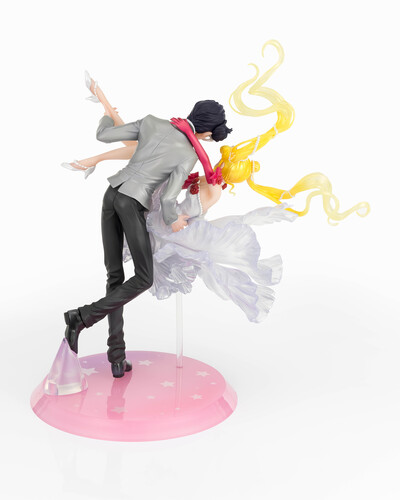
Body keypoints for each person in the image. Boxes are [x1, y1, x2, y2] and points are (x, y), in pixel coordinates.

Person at [63, 75, 232, 378]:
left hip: (111, 194)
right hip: (130, 204)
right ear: (206, 132)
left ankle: (117, 357)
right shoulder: (189, 153)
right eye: (209, 136)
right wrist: (174, 219)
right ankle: (82, 317)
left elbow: (104, 135)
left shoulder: (153, 121)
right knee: (143, 277)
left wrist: (106, 114)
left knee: (115, 277)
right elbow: (168, 199)